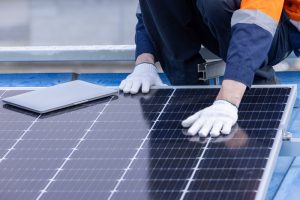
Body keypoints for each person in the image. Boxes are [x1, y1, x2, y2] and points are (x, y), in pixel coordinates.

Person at [119, 0, 300, 137]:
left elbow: (257, 20)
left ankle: (253, 90)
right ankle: (190, 92)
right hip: (218, 16)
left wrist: (228, 101)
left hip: (275, 27)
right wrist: (144, 62)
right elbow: (151, 10)